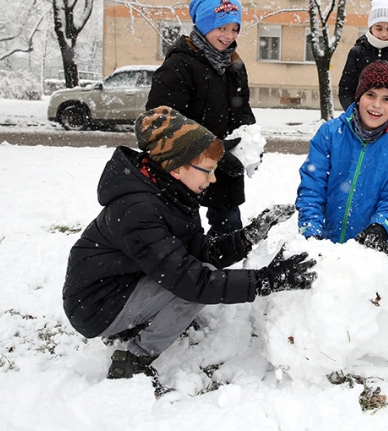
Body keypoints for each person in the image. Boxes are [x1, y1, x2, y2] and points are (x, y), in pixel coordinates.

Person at [62, 106, 316, 382]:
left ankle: (137, 323)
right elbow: (194, 283)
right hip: (95, 306)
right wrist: (268, 280)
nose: (213, 178)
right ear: (176, 168)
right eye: (207, 170)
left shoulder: (171, 193)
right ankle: (134, 357)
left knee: (195, 274)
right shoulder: (139, 211)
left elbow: (198, 250)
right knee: (191, 290)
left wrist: (249, 235)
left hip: (124, 284)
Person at [147, 0, 255, 237]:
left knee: (228, 229)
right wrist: (209, 150)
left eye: (235, 28)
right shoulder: (179, 65)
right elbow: (160, 122)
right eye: (222, 27)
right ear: (205, 24)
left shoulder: (234, 64)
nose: (229, 35)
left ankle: (224, 268)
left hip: (226, 166)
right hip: (186, 167)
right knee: (185, 232)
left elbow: (243, 107)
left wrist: (248, 140)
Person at [297, 60, 388, 260]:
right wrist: (311, 231)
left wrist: (381, 228)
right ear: (359, 97)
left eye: (386, 99)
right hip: (324, 247)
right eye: (370, 94)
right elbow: (312, 187)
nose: (376, 105)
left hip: (368, 253)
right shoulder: (331, 133)